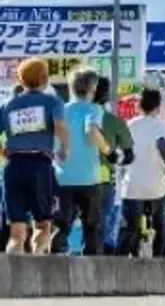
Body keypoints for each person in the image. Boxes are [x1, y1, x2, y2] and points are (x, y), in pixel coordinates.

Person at [0, 58, 68, 254]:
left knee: (16, 229)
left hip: (13, 166)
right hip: (40, 164)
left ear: (20, 80)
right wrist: (65, 148)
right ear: (44, 78)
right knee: (42, 223)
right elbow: (60, 126)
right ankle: (38, 260)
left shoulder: (8, 105)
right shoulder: (52, 102)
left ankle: (12, 276)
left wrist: (2, 150)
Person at [53, 68, 114, 255]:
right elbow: (91, 130)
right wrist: (107, 149)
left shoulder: (60, 110)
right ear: (93, 88)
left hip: (62, 177)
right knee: (92, 227)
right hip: (89, 178)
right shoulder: (94, 109)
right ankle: (92, 271)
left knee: (61, 225)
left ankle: (52, 265)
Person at [117, 88, 165, 258]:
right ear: (158, 106)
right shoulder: (161, 125)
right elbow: (162, 144)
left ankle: (121, 260)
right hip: (155, 185)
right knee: (159, 226)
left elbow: (122, 153)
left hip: (133, 185)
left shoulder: (129, 125)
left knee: (129, 227)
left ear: (139, 105)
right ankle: (158, 260)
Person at [92, 76, 134, 254]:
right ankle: (100, 254)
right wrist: (116, 160)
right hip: (103, 180)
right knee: (101, 221)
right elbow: (129, 156)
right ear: (106, 95)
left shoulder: (70, 115)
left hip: (69, 177)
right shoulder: (115, 122)